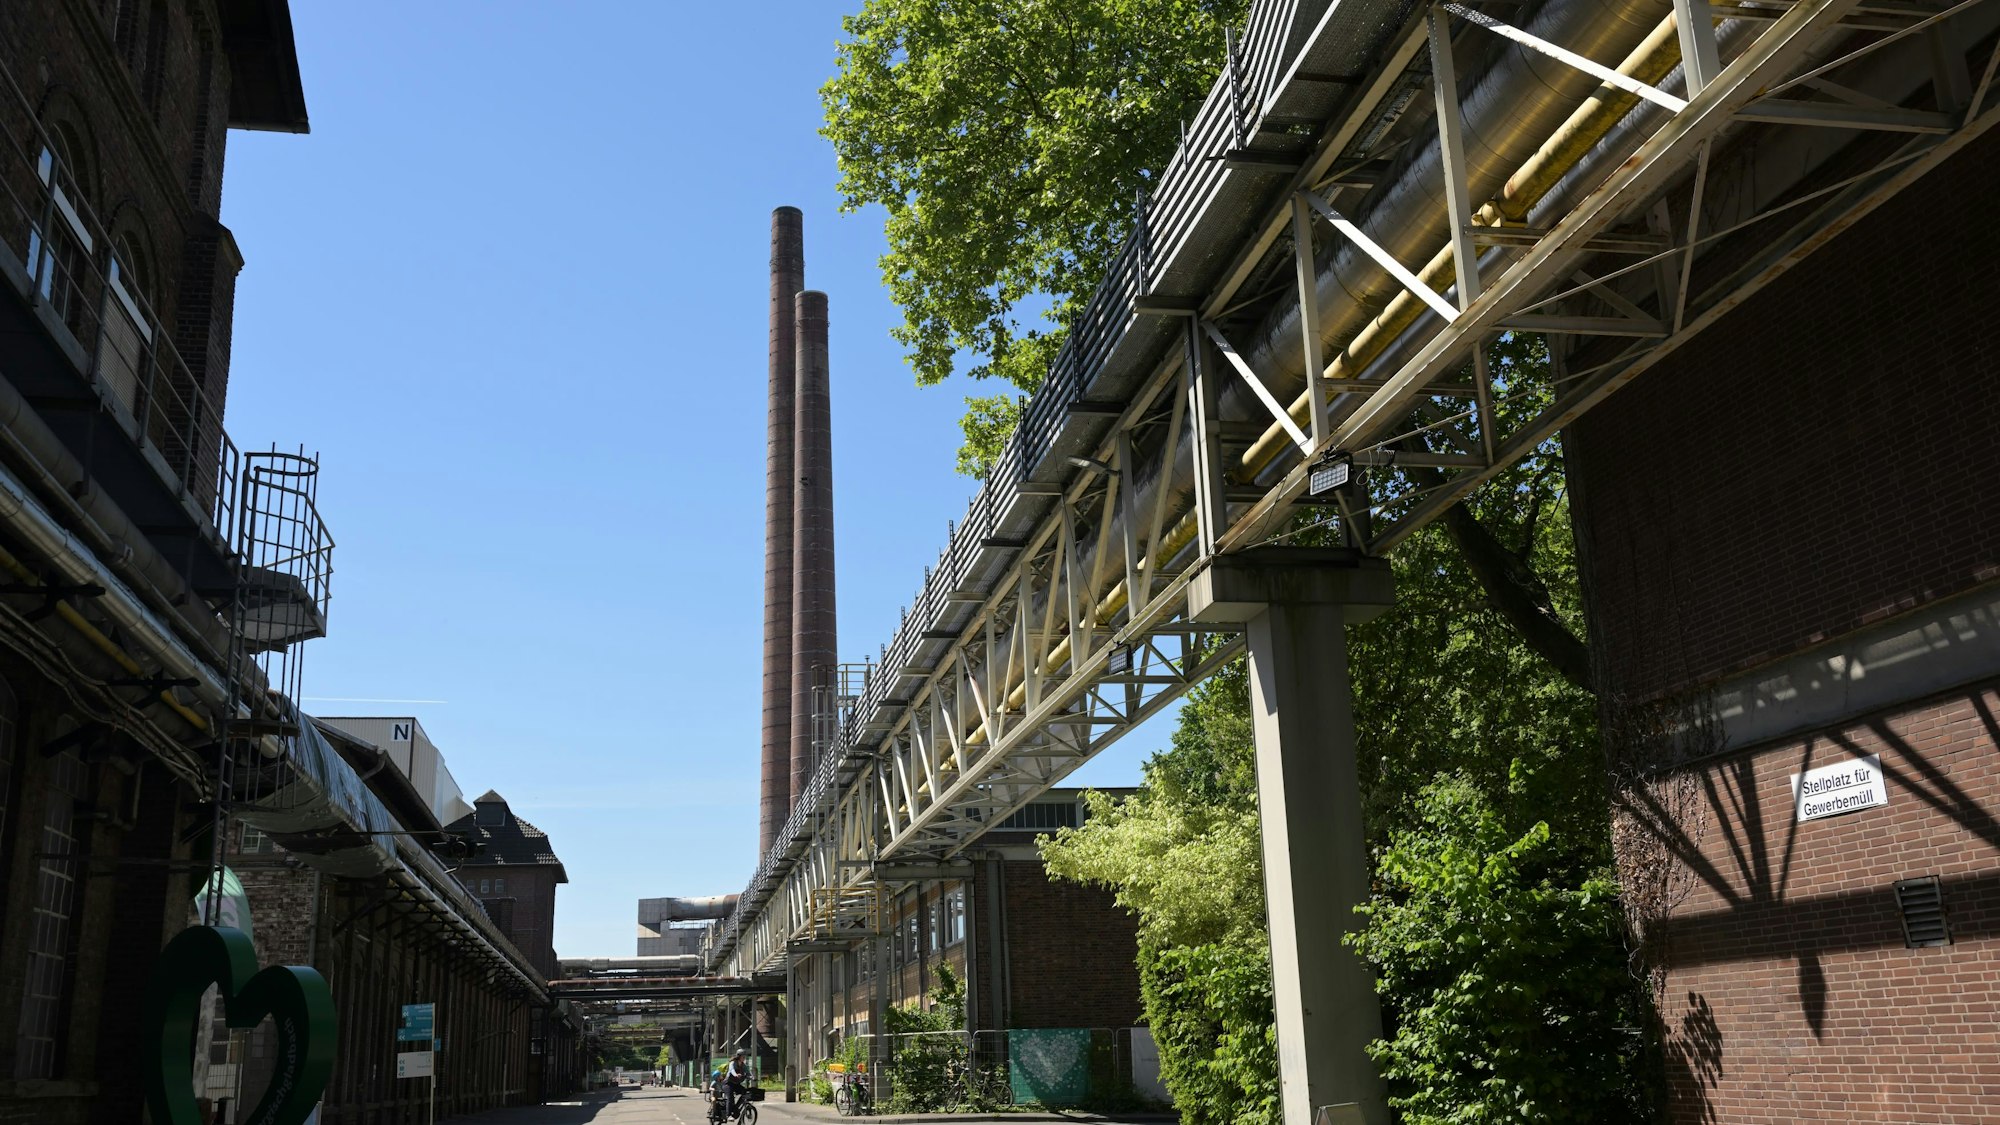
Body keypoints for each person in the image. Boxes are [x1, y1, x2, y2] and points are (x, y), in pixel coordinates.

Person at [713, 1048, 752, 1121]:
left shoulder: (743, 1065)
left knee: (745, 1092)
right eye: (743, 1056)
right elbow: (732, 1070)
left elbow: (748, 1072)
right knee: (730, 1097)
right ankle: (728, 1115)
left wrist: (752, 1077)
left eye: (744, 1057)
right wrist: (735, 1075)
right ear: (739, 1056)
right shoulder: (733, 1063)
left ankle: (736, 1107)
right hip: (727, 1084)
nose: (744, 1058)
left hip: (736, 1084)